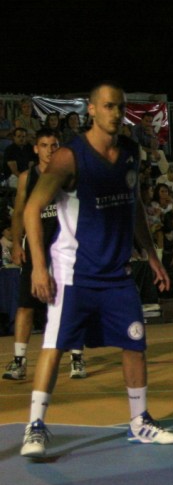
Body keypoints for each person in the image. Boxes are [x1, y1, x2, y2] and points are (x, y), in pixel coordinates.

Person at [20, 83, 173, 458]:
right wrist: (39, 267)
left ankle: (139, 421)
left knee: (135, 342)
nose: (115, 113)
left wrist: (151, 255)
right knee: (55, 345)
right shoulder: (69, 157)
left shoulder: (130, 152)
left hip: (116, 272)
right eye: (108, 106)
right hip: (73, 272)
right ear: (91, 110)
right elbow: (32, 209)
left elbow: (134, 205)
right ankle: (35, 426)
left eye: (120, 107)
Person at [4, 129, 89, 381]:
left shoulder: (68, 174)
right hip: (36, 247)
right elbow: (19, 212)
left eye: (54, 145)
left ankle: (76, 357)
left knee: (71, 303)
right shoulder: (27, 177)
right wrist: (17, 244)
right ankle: (19, 361)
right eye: (44, 145)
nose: (49, 150)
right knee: (25, 304)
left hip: (65, 246)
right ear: (35, 149)